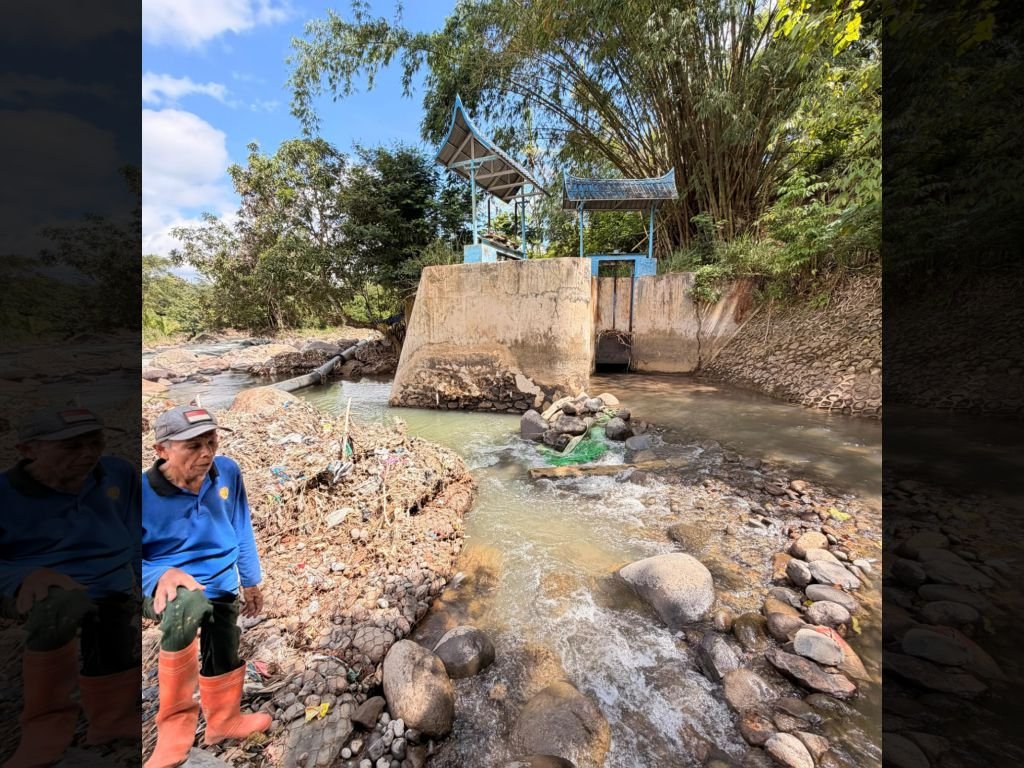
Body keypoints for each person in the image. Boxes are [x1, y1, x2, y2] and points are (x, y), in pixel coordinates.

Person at [0, 407, 141, 768]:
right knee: (58, 605)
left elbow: (139, 531)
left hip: (109, 578)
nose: (87, 454)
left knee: (114, 619)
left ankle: (112, 720)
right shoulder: (6, 495)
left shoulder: (117, 474)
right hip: (39, 584)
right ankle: (45, 724)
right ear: (28, 451)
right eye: (70, 446)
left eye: (95, 442)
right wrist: (22, 577)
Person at [142, 405, 270, 768]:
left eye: (211, 442)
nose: (206, 454)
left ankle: (223, 721)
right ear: (162, 450)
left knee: (224, 641)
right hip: (166, 589)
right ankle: (173, 734)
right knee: (188, 605)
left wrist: (251, 581)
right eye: (193, 446)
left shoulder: (227, 472)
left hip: (221, 582)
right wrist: (156, 575)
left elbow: (241, 526)